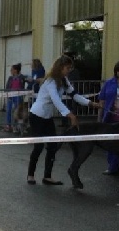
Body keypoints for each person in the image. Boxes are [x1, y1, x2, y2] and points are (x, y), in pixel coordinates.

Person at [26, 55, 100, 185]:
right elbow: (56, 100)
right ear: (60, 67)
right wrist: (70, 115)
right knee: (38, 147)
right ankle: (30, 175)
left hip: (47, 117)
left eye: (70, 68)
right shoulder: (50, 81)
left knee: (52, 146)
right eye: (67, 68)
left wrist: (91, 104)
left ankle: (47, 176)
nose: (69, 70)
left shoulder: (64, 80)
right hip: (36, 116)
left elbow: (75, 95)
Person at [98, 59, 119, 176]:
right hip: (111, 118)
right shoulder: (109, 83)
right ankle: (112, 167)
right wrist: (100, 118)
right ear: (116, 72)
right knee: (112, 144)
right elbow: (102, 100)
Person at [2, 63, 27, 133]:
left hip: (18, 96)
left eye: (12, 70)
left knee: (17, 111)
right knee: (9, 110)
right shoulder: (10, 78)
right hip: (11, 96)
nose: (11, 71)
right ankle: (8, 125)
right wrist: (6, 93)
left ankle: (15, 126)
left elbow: (28, 80)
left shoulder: (21, 77)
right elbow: (7, 87)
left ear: (15, 70)